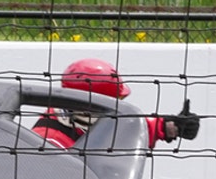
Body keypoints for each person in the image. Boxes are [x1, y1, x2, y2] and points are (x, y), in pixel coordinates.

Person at [32, 58, 199, 148]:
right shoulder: (48, 141)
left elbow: (134, 128)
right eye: (113, 102)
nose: (117, 109)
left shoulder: (90, 122)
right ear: (89, 107)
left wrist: (172, 126)